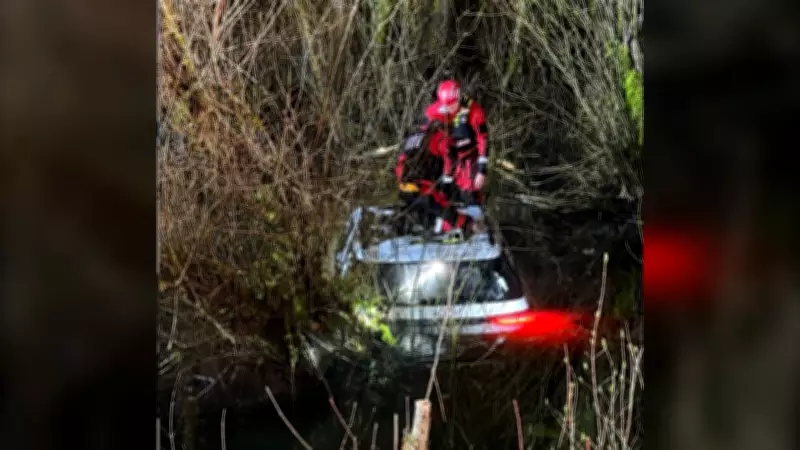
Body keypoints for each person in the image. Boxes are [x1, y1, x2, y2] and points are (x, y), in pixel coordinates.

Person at [419, 79, 490, 206]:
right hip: (449, 158)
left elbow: (483, 140)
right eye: (446, 106)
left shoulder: (474, 111)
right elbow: (426, 120)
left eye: (452, 105)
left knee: (471, 192)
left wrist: (481, 171)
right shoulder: (439, 109)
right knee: (442, 191)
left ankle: (475, 215)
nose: (449, 109)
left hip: (469, 157)